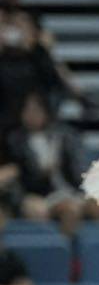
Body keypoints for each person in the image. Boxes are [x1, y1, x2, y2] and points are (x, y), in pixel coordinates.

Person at [0, 0, 84, 129]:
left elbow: (39, 43)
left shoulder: (30, 13)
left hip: (30, 73)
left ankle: (74, 90)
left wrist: (23, 37)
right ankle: (76, 92)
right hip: (7, 73)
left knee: (45, 58)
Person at [2, 92, 90, 230]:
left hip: (69, 190)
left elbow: (78, 170)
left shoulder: (64, 135)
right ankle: (67, 244)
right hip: (39, 194)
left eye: (36, 110)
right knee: (68, 210)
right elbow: (16, 174)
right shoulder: (14, 140)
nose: (32, 115)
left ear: (46, 111)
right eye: (28, 110)